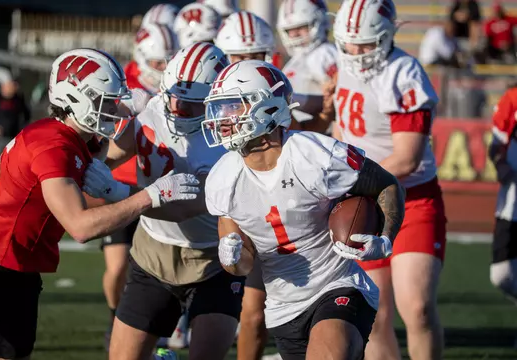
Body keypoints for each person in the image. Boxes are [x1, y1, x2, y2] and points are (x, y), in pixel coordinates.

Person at [0, 48, 200, 360]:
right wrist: (150, 195)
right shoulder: (53, 145)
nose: (112, 108)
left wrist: (147, 110)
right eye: (104, 100)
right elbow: (80, 226)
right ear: (76, 98)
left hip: (20, 263)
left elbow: (111, 157)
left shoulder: (79, 138)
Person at [203, 59, 405, 360]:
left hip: (337, 285)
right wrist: (230, 257)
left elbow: (387, 185)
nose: (223, 118)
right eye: (221, 108)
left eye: (234, 106)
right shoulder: (222, 178)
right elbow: (242, 266)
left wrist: (386, 237)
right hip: (283, 307)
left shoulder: (314, 155)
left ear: (268, 108)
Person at [83, 43, 243, 360]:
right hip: (152, 252)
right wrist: (98, 148)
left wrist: (117, 193)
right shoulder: (152, 109)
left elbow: (182, 208)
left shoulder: (228, 138)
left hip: (213, 258)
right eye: (175, 97)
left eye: (191, 103)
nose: (178, 108)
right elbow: (114, 152)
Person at [332, 1, 446, 359]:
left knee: (418, 307)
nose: (356, 53)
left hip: (410, 197)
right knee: (375, 315)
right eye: (350, 44)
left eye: (365, 45)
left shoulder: (403, 72)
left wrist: (348, 180)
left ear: (386, 37)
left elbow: (408, 158)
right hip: (363, 200)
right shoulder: (342, 65)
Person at [99, 22, 180, 352]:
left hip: (158, 186)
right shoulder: (119, 83)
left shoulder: (175, 85)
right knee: (118, 267)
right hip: (120, 184)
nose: (163, 69)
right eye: (158, 62)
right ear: (142, 57)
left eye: (167, 62)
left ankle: (155, 325)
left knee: (154, 264)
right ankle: (115, 316)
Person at [214, 11, 277, 360]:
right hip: (234, 197)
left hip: (280, 200)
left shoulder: (275, 87)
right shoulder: (214, 87)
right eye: (239, 56)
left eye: (255, 56)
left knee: (258, 309)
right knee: (251, 311)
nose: (247, 65)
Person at [276, 0, 338, 134]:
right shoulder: (297, 59)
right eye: (289, 30)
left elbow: (337, 99)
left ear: (319, 22)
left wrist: (285, 99)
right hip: (303, 133)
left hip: (321, 133)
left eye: (301, 27)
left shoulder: (323, 54)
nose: (294, 35)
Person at [488, 85, 517, 304]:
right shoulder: (512, 98)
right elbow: (496, 146)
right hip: (512, 202)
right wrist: (500, 164)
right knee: (501, 275)